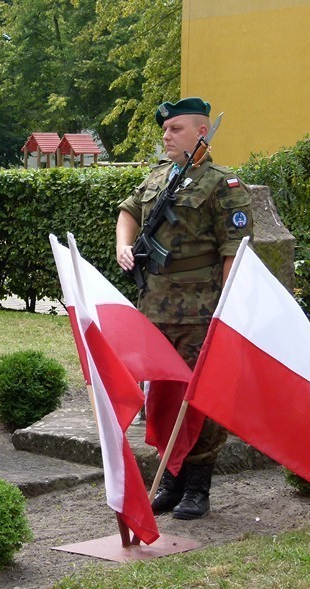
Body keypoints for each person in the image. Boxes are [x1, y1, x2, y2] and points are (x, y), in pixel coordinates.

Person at [115, 97, 253, 519]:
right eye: (166, 128)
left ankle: (198, 486)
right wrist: (123, 245)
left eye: (176, 128)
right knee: (163, 396)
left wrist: (225, 311)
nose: (166, 135)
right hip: (155, 306)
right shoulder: (160, 177)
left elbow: (236, 250)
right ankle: (171, 479)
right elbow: (128, 211)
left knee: (200, 398)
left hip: (199, 309)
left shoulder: (223, 185)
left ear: (201, 133)